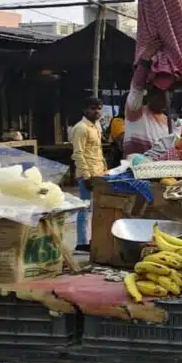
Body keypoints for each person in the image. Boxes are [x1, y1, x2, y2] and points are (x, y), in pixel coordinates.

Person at [71, 97, 108, 250]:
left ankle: (94, 240)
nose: (97, 111)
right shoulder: (80, 128)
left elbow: (98, 150)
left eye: (99, 108)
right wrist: (86, 176)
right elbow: (78, 154)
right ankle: (81, 243)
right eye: (93, 108)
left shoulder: (97, 126)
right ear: (85, 110)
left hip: (99, 173)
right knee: (85, 209)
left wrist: (105, 168)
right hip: (87, 174)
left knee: (98, 209)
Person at [123, 38, 170, 157]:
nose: (163, 100)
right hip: (137, 172)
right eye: (159, 95)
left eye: (166, 97)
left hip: (163, 173)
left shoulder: (169, 123)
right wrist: (145, 60)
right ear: (149, 94)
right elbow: (137, 87)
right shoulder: (136, 113)